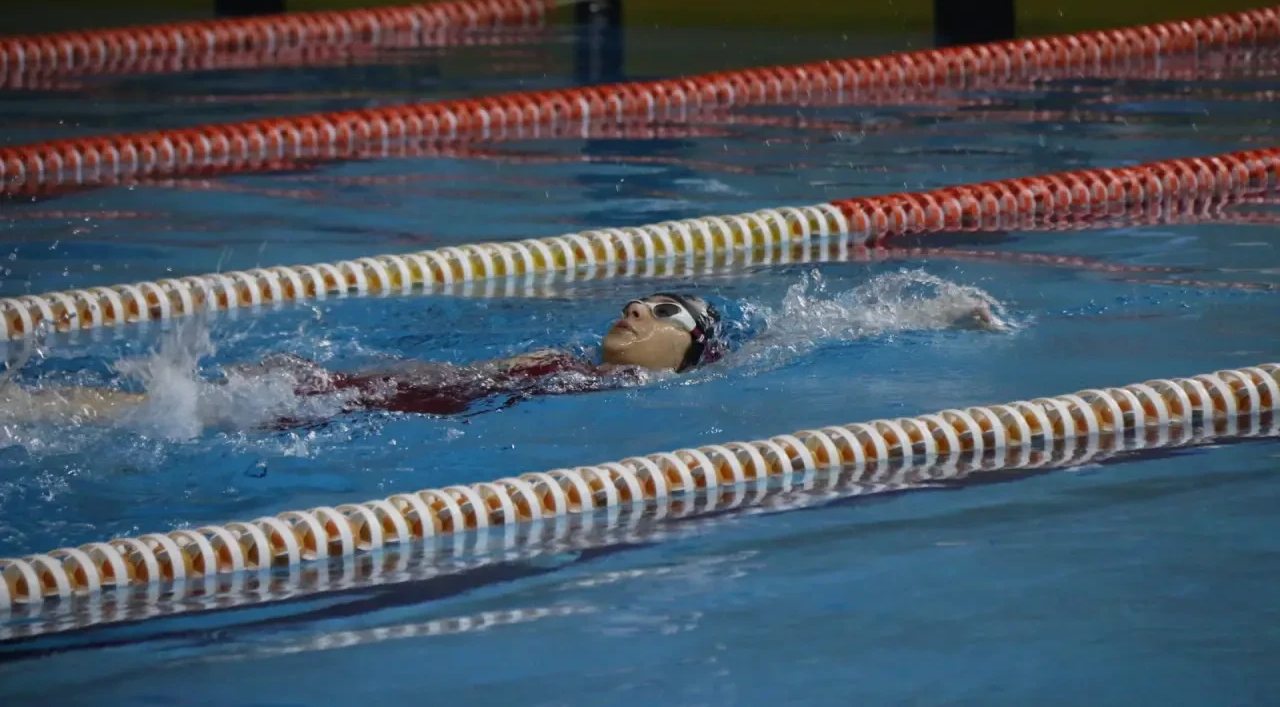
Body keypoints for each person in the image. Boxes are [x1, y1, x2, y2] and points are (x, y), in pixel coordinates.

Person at [1, 290, 998, 429]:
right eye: (637, 296)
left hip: (386, 410)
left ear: (687, 351)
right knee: (174, 400)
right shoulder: (572, 361)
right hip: (384, 396)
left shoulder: (646, 382)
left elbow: (815, 329)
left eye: (660, 311)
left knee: (172, 406)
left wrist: (927, 308)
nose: (633, 306)